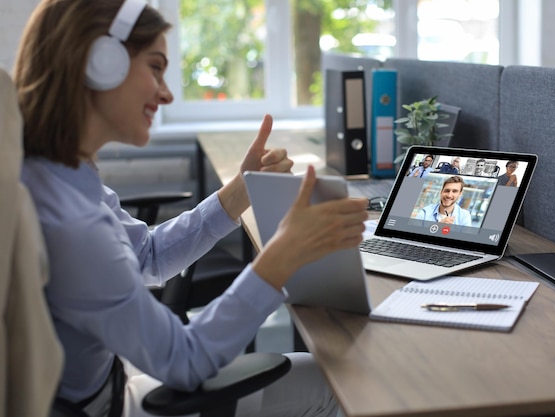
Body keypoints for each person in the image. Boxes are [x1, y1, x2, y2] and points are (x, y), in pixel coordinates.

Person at [14, 1, 369, 417]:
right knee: (346, 384)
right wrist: (282, 255)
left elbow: (147, 255)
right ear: (100, 62)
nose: (167, 93)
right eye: (156, 67)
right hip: (110, 406)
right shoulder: (73, 223)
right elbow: (186, 362)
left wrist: (239, 191)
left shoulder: (56, 175)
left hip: (107, 387)